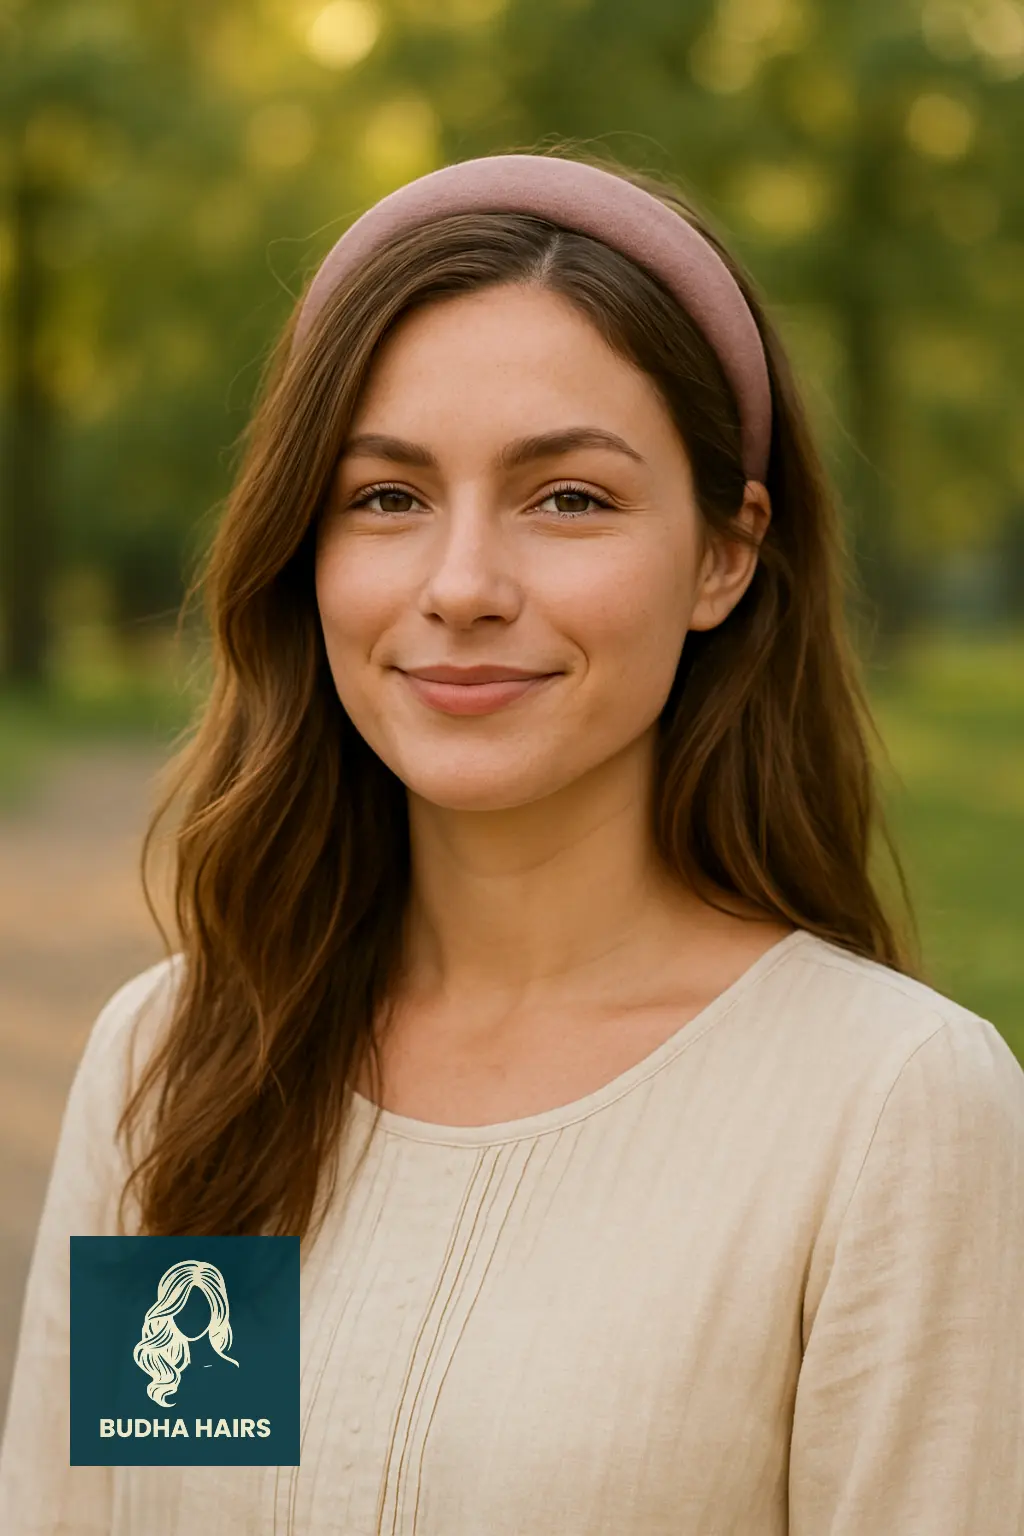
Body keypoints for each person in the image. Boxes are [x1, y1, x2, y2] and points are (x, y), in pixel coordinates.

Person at [1, 148, 1022, 1535]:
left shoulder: (892, 1110)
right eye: (387, 498)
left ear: (727, 553)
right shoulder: (181, 1062)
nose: (464, 585)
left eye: (570, 499)